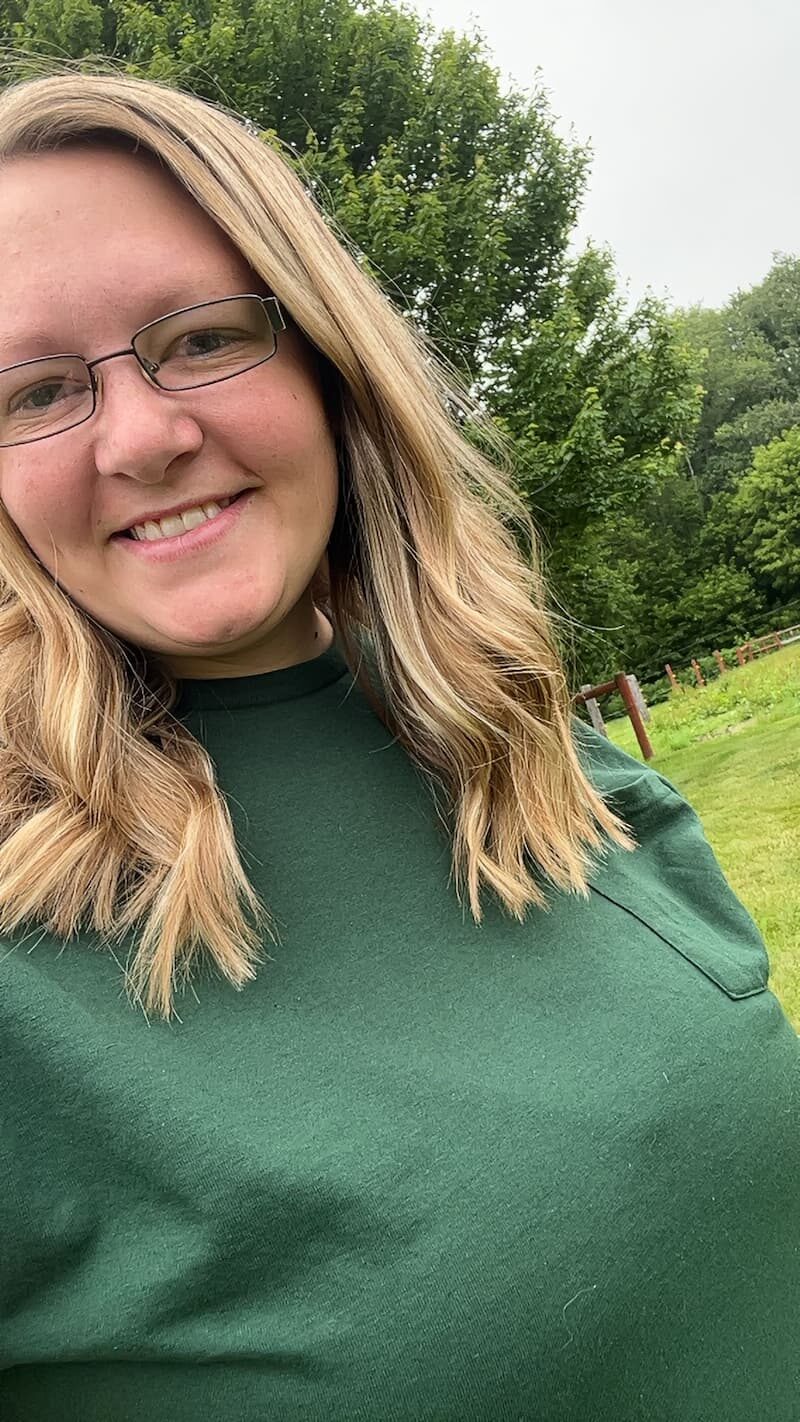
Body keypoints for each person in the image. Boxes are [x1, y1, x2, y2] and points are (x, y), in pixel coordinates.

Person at [0, 64, 796, 1422]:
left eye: (202, 336)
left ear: (328, 356)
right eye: (33, 392)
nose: (143, 437)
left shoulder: (512, 730)